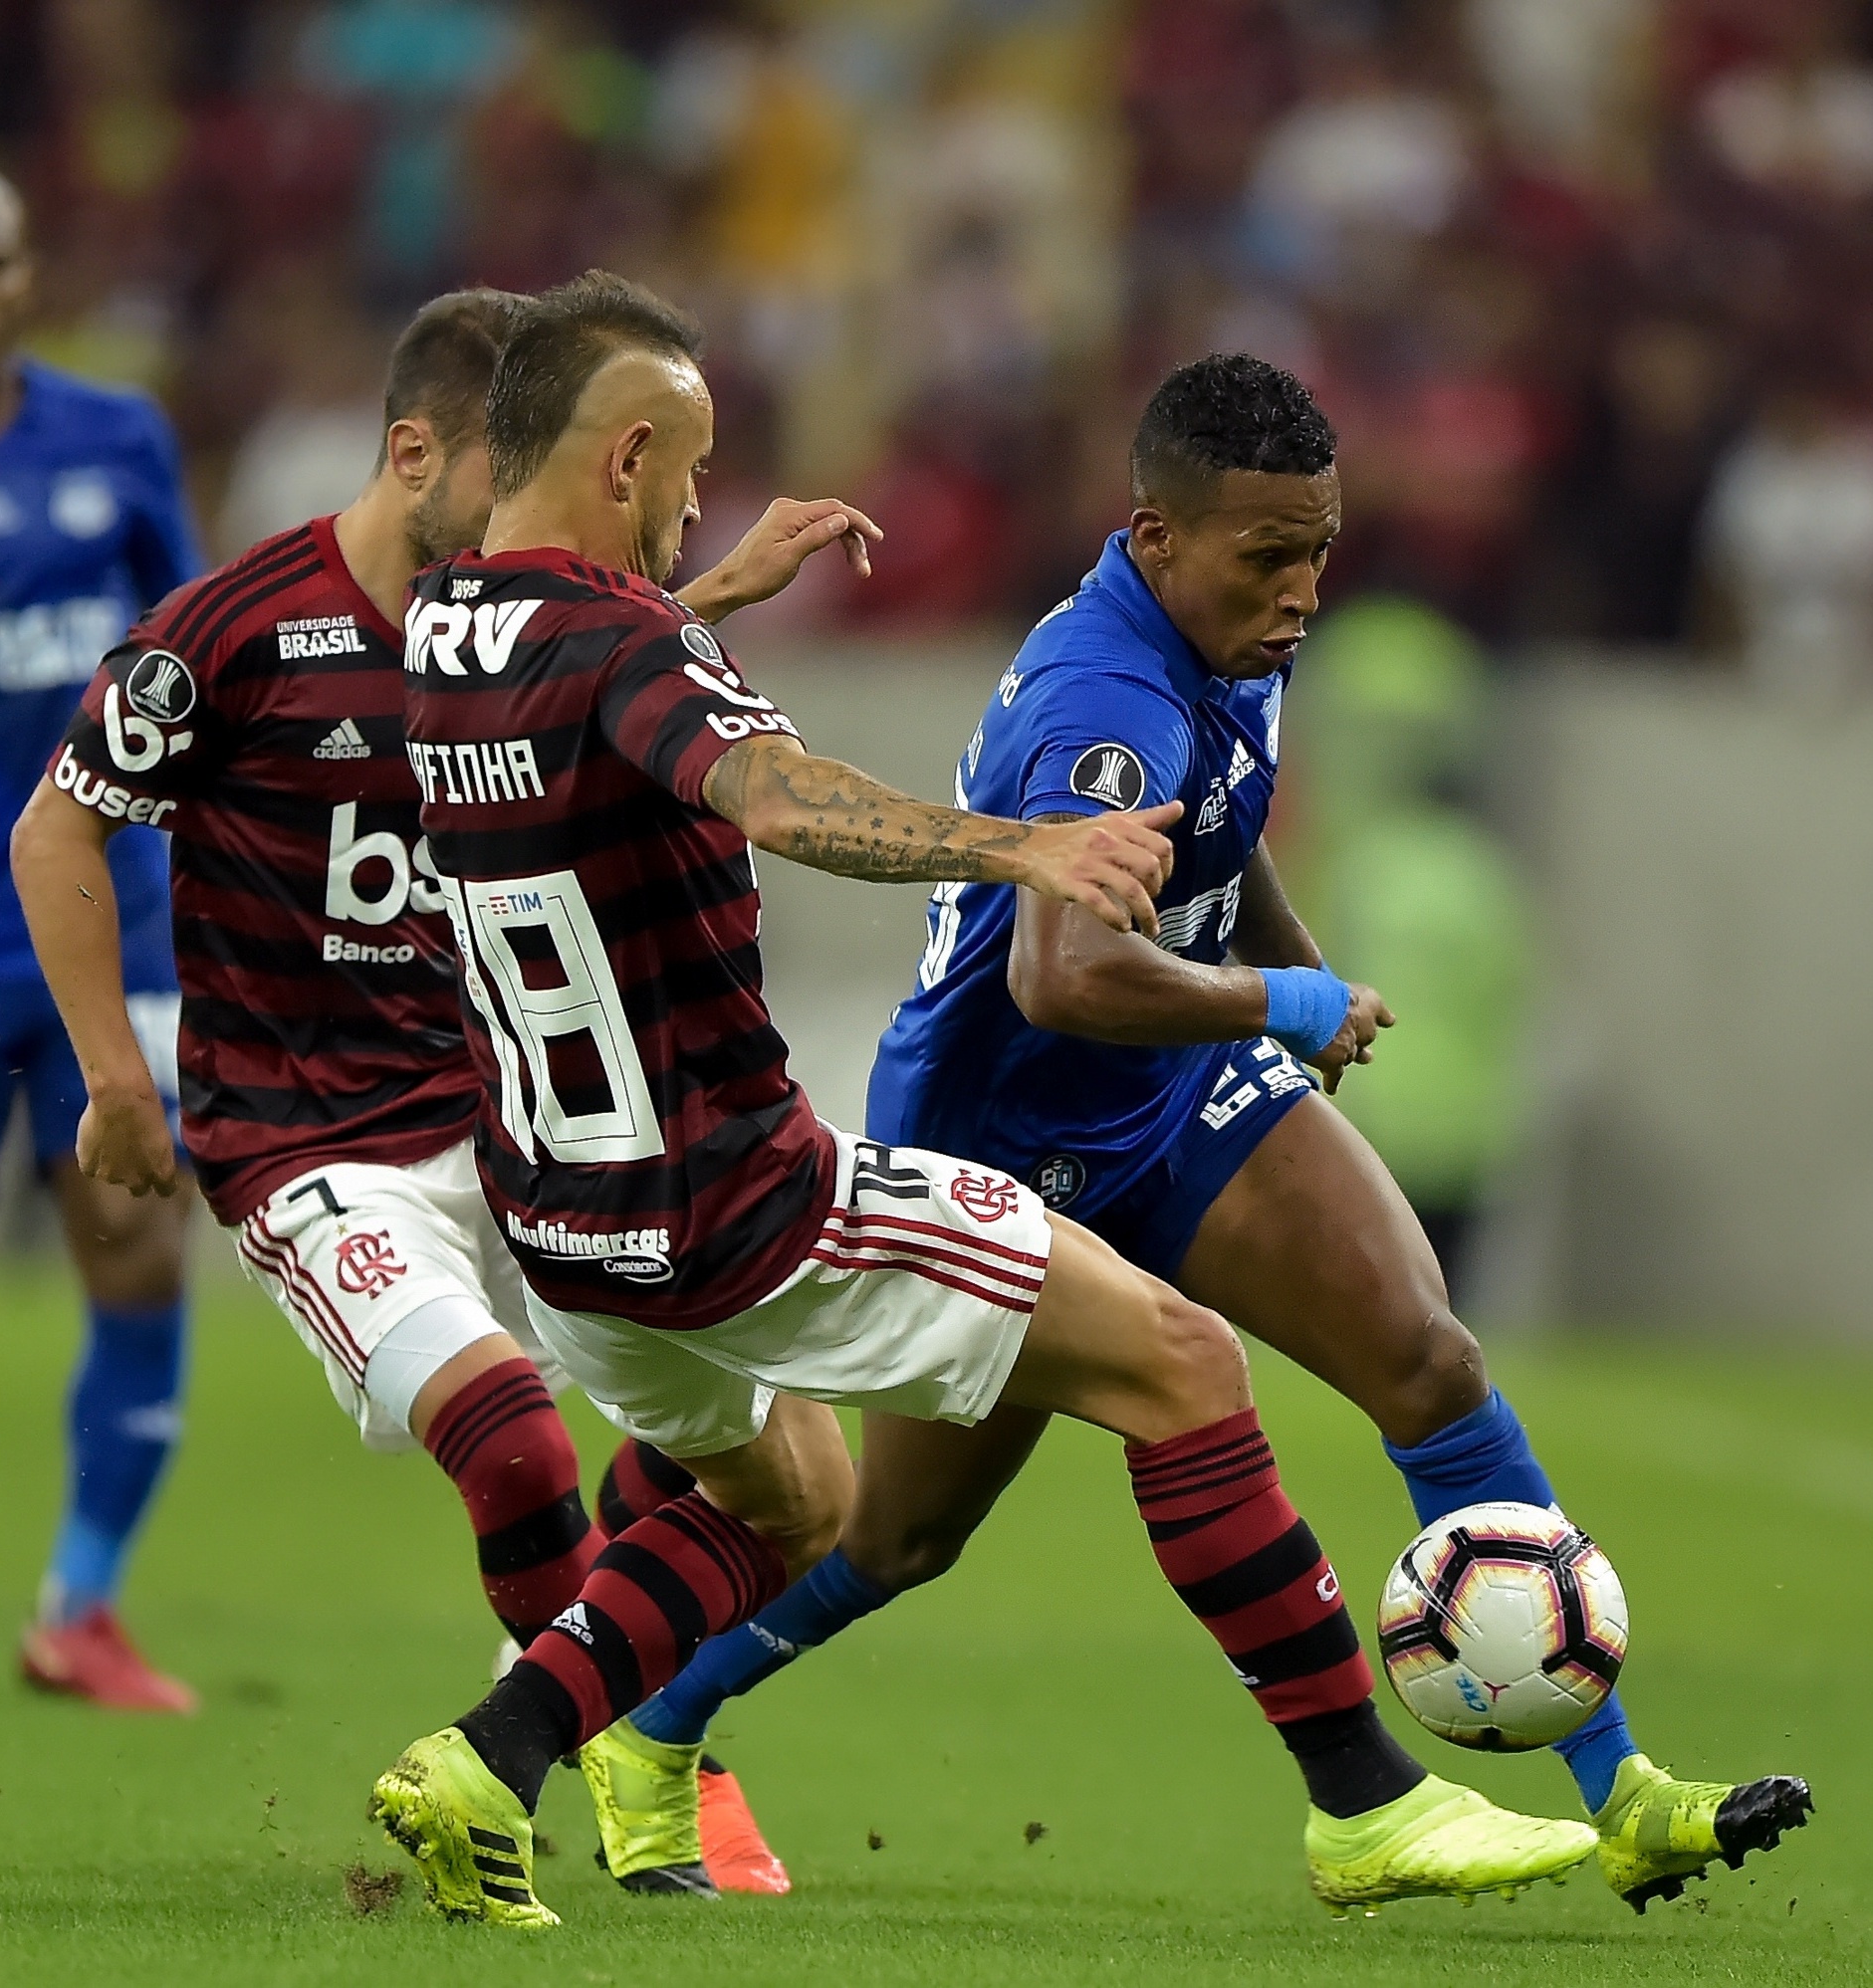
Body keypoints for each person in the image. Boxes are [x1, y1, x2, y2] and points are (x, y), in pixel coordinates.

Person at [366, 270, 1597, 1930]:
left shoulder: (449, 623)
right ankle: (1366, 1804)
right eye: (688, 473)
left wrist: (711, 593)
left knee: (788, 1500)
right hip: (736, 1192)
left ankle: (490, 1757)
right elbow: (779, 791)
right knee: (1180, 1364)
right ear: (627, 450)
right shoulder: (639, 644)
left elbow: (583, 664)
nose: (691, 506)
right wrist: (1015, 842)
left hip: (556, 1220)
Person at [612, 352, 1815, 1914]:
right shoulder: (1098, 699)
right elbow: (1062, 973)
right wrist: (1281, 1002)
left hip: (1171, 1095)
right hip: (1002, 1135)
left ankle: (1623, 1788)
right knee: (900, 1537)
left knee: (1428, 1360)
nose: (1304, 590)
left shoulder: (1231, 620)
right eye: (1270, 557)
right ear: (1156, 536)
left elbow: (1220, 831)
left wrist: (1292, 978)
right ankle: (654, 1720)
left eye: (1319, 550)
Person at [11, 286, 881, 1895]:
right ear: (416, 454)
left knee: (782, 1467)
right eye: (515, 472)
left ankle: (603, 1728)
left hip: (514, 1130)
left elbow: (614, 697)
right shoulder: (235, 631)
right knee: (513, 1449)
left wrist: (702, 599)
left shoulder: (515, 629)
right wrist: (115, 1080)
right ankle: (555, 1778)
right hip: (309, 1147)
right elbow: (60, 826)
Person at [0, 159, 200, 1710]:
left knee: (139, 1238)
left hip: (110, 924)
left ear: (24, 276)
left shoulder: (116, 436)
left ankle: (80, 1605)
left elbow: (193, 661)